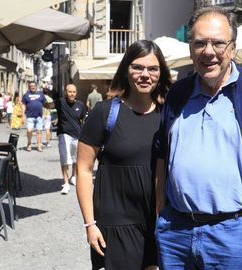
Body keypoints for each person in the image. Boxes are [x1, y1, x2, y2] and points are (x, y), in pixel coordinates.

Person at [154, 7, 242, 268]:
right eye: (199, 43)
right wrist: (160, 211)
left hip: (234, 234)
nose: (208, 51)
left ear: (233, 47)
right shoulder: (177, 93)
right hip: (175, 232)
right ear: (190, 48)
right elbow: (162, 153)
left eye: (218, 42)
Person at [77, 40, 171, 270]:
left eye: (152, 69)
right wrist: (90, 224)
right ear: (126, 70)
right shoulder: (105, 112)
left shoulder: (168, 115)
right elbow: (83, 170)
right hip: (116, 223)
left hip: (157, 221)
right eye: (138, 67)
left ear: (161, 73)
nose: (145, 74)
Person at [56, 84, 86, 195]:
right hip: (64, 134)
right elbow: (48, 105)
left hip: (77, 135)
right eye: (69, 92)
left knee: (75, 159)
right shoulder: (60, 102)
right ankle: (66, 183)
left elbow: (83, 119)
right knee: (65, 158)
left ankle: (73, 176)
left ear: (76, 93)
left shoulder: (80, 104)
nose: (71, 94)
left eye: (73, 92)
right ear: (65, 92)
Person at [22, 81, 46, 152]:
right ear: (29, 87)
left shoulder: (41, 94)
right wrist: (23, 115)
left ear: (36, 86)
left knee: (39, 131)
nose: (32, 87)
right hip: (30, 116)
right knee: (29, 130)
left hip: (39, 116)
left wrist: (45, 114)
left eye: (34, 86)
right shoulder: (26, 95)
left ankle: (39, 145)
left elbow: (45, 104)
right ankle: (29, 143)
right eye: (31, 86)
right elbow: (23, 105)